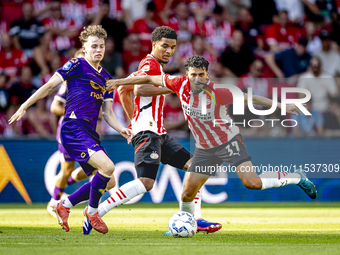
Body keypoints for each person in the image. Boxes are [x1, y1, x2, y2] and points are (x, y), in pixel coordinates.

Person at [106, 55, 317, 219]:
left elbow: (251, 98)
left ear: (207, 75)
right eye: (193, 75)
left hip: (229, 142)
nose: (197, 79)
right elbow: (148, 78)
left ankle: (295, 177)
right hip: (205, 149)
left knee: (252, 183)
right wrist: (119, 82)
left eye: (201, 75)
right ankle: (188, 223)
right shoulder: (178, 83)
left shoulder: (218, 91)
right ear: (187, 75)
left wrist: (282, 106)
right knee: (187, 194)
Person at [82, 26, 222, 235]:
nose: (168, 51)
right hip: (148, 132)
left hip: (157, 132)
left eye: (172, 47)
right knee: (146, 182)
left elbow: (124, 88)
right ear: (154, 44)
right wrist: (174, 87)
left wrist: (132, 122)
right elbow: (140, 88)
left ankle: (195, 218)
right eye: (164, 46)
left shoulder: (154, 66)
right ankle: (96, 211)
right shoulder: (150, 63)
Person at [9, 25, 133, 234]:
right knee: (108, 167)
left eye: (101, 46)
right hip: (73, 128)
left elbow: (109, 113)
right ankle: (92, 211)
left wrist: (122, 129)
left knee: (109, 180)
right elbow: (49, 86)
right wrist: (24, 106)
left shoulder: (106, 78)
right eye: (93, 46)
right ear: (84, 48)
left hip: (89, 133)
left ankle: (64, 204)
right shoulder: (76, 64)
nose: (98, 50)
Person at [47, 49, 92, 218]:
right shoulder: (69, 83)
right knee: (66, 170)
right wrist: (74, 113)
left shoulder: (95, 82)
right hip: (69, 130)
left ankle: (69, 184)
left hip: (87, 131)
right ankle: (53, 204)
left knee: (96, 168)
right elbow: (54, 107)